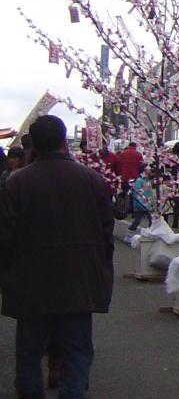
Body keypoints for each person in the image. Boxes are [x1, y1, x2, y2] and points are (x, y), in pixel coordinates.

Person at [0, 115, 114, 399]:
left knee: (28, 351)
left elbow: (5, 236)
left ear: (33, 145)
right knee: (77, 349)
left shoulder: (17, 183)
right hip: (79, 277)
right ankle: (73, 392)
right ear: (65, 141)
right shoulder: (92, 179)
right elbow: (106, 235)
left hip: (30, 279)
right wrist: (101, 272)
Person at [126, 165, 155, 238]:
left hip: (147, 203)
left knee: (151, 219)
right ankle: (129, 234)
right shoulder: (139, 180)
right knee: (138, 220)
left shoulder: (147, 180)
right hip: (140, 204)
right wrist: (141, 203)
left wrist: (151, 201)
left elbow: (150, 192)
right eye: (148, 169)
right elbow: (137, 192)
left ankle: (152, 234)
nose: (150, 171)